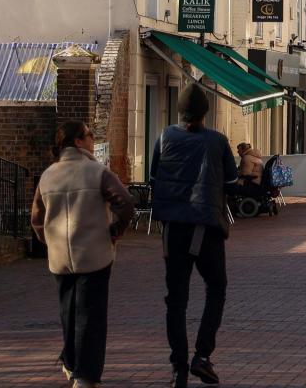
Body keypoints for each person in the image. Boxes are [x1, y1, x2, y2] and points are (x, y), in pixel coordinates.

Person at [31, 120, 134, 388]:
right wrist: (115, 230)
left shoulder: (48, 176)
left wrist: (49, 240)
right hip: (94, 252)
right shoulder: (97, 172)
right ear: (78, 141)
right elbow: (125, 202)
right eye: (89, 135)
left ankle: (71, 362)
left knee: (68, 312)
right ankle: (86, 375)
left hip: (60, 257)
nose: (92, 139)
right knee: (91, 314)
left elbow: (36, 218)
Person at [150, 84, 239, 388]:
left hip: (173, 228)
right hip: (205, 227)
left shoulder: (164, 138)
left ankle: (178, 366)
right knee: (216, 287)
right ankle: (202, 354)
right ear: (205, 113)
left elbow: (153, 177)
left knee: (176, 299)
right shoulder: (216, 141)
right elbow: (231, 179)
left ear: (180, 112)